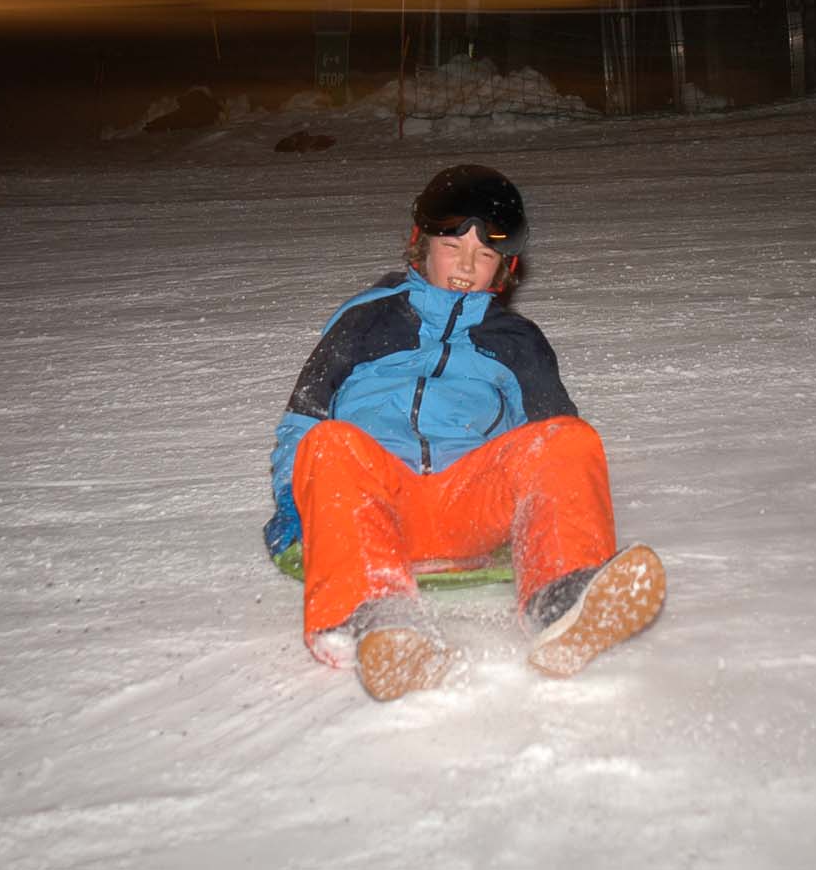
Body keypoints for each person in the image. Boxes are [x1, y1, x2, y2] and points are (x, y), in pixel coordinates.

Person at [264, 163, 666, 701]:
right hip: (374, 505)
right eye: (453, 248)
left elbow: (549, 444)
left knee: (568, 438)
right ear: (421, 244)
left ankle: (563, 598)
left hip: (468, 506)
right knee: (329, 443)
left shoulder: (517, 341)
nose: (465, 267)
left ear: (505, 268)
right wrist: (293, 499)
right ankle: (375, 618)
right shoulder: (364, 320)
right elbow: (304, 419)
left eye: (484, 256)